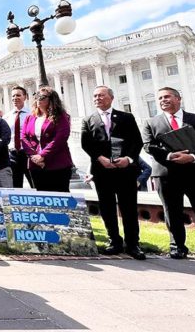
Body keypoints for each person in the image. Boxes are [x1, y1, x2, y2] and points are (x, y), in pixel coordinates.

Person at [142, 87, 195, 259]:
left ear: (178, 99)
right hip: (167, 174)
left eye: (167, 96)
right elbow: (149, 146)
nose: (163, 100)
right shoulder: (151, 123)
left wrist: (193, 157)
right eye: (160, 98)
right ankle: (177, 246)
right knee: (171, 211)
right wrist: (170, 155)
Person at [81, 86, 145, 259]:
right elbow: (86, 144)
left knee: (129, 208)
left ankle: (133, 244)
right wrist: (99, 158)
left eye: (101, 95)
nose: (97, 98)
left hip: (125, 170)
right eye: (95, 96)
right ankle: (114, 241)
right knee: (107, 208)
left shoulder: (126, 117)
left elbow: (137, 142)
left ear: (111, 97)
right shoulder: (88, 119)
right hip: (102, 171)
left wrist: (129, 159)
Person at [21, 86, 73, 192]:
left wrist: (43, 155)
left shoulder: (61, 116)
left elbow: (60, 138)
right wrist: (34, 156)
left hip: (57, 164)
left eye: (43, 97)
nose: (38, 99)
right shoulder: (30, 118)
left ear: (52, 99)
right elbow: (24, 137)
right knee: (42, 200)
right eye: (36, 96)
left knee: (60, 199)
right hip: (35, 165)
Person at [3, 86, 33, 188]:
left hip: (28, 154)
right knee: (15, 187)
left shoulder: (32, 114)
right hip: (12, 155)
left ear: (25, 97)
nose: (15, 98)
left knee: (35, 184)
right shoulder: (6, 117)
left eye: (18, 95)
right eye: (13, 96)